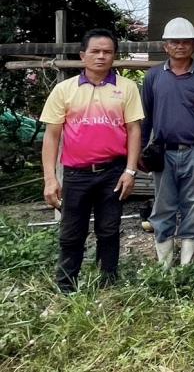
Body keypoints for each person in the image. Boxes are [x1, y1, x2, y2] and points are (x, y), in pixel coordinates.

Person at [40, 28, 144, 292]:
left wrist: (130, 171)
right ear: (82, 55)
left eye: (107, 52)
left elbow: (134, 130)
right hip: (76, 174)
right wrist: (50, 179)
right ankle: (66, 287)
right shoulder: (64, 90)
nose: (101, 57)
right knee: (71, 233)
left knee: (109, 230)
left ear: (115, 56)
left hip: (113, 172)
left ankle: (107, 285)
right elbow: (51, 137)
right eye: (95, 51)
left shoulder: (127, 88)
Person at [143, 17, 194, 268]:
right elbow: (146, 116)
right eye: (175, 42)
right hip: (164, 152)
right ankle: (164, 266)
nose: (180, 46)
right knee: (164, 206)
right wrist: (141, 151)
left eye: (186, 42)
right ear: (165, 46)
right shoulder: (153, 77)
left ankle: (186, 263)